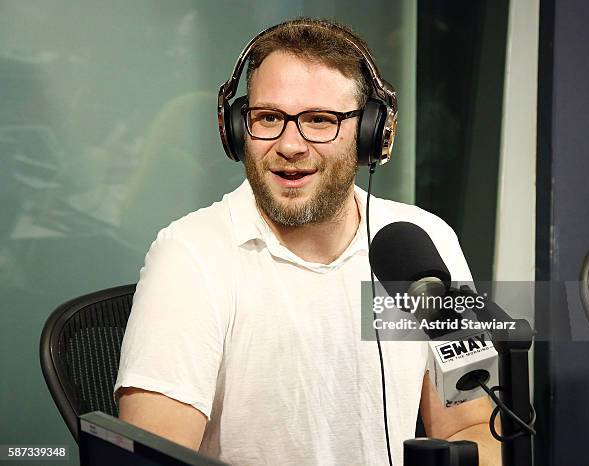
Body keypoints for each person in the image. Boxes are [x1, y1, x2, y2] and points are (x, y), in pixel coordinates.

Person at [115, 17, 501, 466]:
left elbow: (471, 424)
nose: (290, 144)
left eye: (320, 120)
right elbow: (152, 456)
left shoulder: (424, 243)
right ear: (239, 130)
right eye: (269, 117)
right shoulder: (190, 256)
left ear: (372, 134)